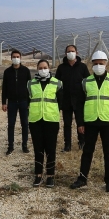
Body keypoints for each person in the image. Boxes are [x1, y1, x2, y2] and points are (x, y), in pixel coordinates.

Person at [70, 51, 109, 193]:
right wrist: (80, 123)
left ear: (106, 64)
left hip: (108, 121)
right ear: (91, 65)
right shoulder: (86, 82)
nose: (98, 66)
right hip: (90, 121)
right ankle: (82, 178)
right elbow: (79, 104)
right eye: (95, 64)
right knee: (87, 151)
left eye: (101, 63)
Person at [28, 59, 63, 187]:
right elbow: (28, 101)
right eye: (40, 67)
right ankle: (38, 175)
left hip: (51, 120)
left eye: (45, 67)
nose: (43, 70)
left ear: (49, 68)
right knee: (38, 149)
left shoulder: (57, 83)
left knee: (50, 149)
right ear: (37, 69)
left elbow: (60, 102)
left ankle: (50, 176)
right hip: (35, 120)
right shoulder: (30, 84)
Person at [54, 44, 90, 151]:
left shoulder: (82, 67)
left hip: (79, 100)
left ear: (77, 53)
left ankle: (82, 142)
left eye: (72, 51)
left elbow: (88, 83)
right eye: (68, 51)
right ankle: (67, 145)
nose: (70, 53)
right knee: (67, 124)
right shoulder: (61, 68)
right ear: (65, 53)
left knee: (81, 123)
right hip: (66, 101)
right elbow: (57, 84)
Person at [1, 49, 32, 154]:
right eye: (14, 57)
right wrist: (3, 102)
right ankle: (10, 146)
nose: (16, 58)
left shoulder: (26, 71)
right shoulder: (7, 72)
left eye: (17, 57)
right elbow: (4, 88)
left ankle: (24, 145)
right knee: (11, 124)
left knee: (25, 124)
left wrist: (29, 102)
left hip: (24, 102)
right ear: (11, 58)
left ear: (20, 58)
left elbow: (30, 87)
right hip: (12, 102)